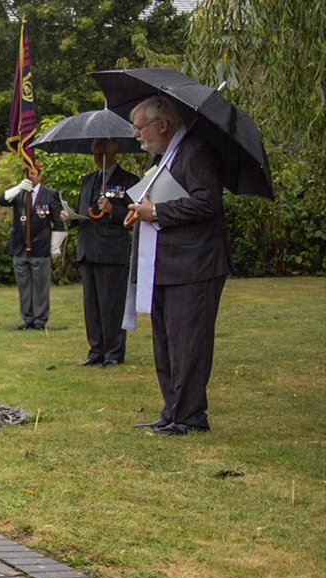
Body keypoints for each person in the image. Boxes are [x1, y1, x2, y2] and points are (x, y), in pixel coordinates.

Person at [126, 95, 228, 436]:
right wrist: (143, 208)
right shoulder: (163, 157)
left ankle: (190, 416)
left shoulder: (195, 152)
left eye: (140, 128)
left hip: (194, 265)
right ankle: (172, 410)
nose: (136, 134)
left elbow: (208, 201)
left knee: (189, 343)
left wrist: (156, 212)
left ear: (163, 125)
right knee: (166, 341)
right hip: (166, 263)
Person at [62, 139, 139, 366]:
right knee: (92, 305)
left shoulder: (129, 181)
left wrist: (112, 209)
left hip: (111, 251)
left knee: (111, 305)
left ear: (112, 152)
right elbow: (83, 211)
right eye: (95, 151)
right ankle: (96, 350)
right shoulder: (88, 180)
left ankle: (113, 353)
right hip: (88, 249)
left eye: (101, 151)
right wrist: (70, 218)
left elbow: (133, 215)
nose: (97, 155)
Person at [0, 163, 65, 330]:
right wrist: (18, 188)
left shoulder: (50, 195)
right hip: (20, 247)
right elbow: (1, 200)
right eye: (27, 173)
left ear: (40, 176)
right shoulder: (19, 194)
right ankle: (27, 320)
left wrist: (55, 246)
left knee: (41, 287)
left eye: (33, 173)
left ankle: (40, 321)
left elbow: (58, 222)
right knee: (24, 287)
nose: (30, 176)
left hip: (40, 246)